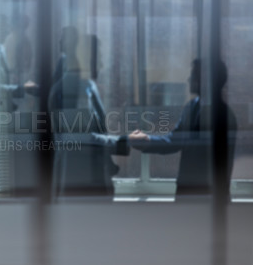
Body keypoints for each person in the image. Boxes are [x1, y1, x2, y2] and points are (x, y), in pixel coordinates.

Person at [128, 59, 237, 196]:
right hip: (188, 191)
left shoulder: (222, 114)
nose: (188, 79)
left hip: (208, 195)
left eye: (193, 75)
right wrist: (147, 141)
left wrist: (147, 141)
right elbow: (176, 139)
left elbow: (182, 142)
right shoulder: (192, 106)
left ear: (204, 80)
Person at [49, 33, 129, 197]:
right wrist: (120, 142)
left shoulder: (88, 86)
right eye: (98, 57)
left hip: (90, 176)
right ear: (86, 58)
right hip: (80, 179)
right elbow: (77, 137)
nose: (101, 64)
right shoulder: (73, 88)